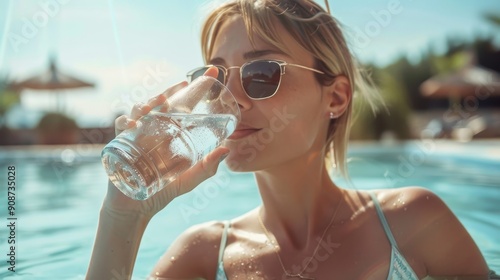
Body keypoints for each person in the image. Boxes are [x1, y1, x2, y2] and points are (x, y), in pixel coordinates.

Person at [87, 0, 491, 279]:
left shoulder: (415, 223)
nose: (232, 101)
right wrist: (124, 217)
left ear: (335, 96)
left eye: (261, 74)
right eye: (216, 79)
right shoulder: (202, 255)